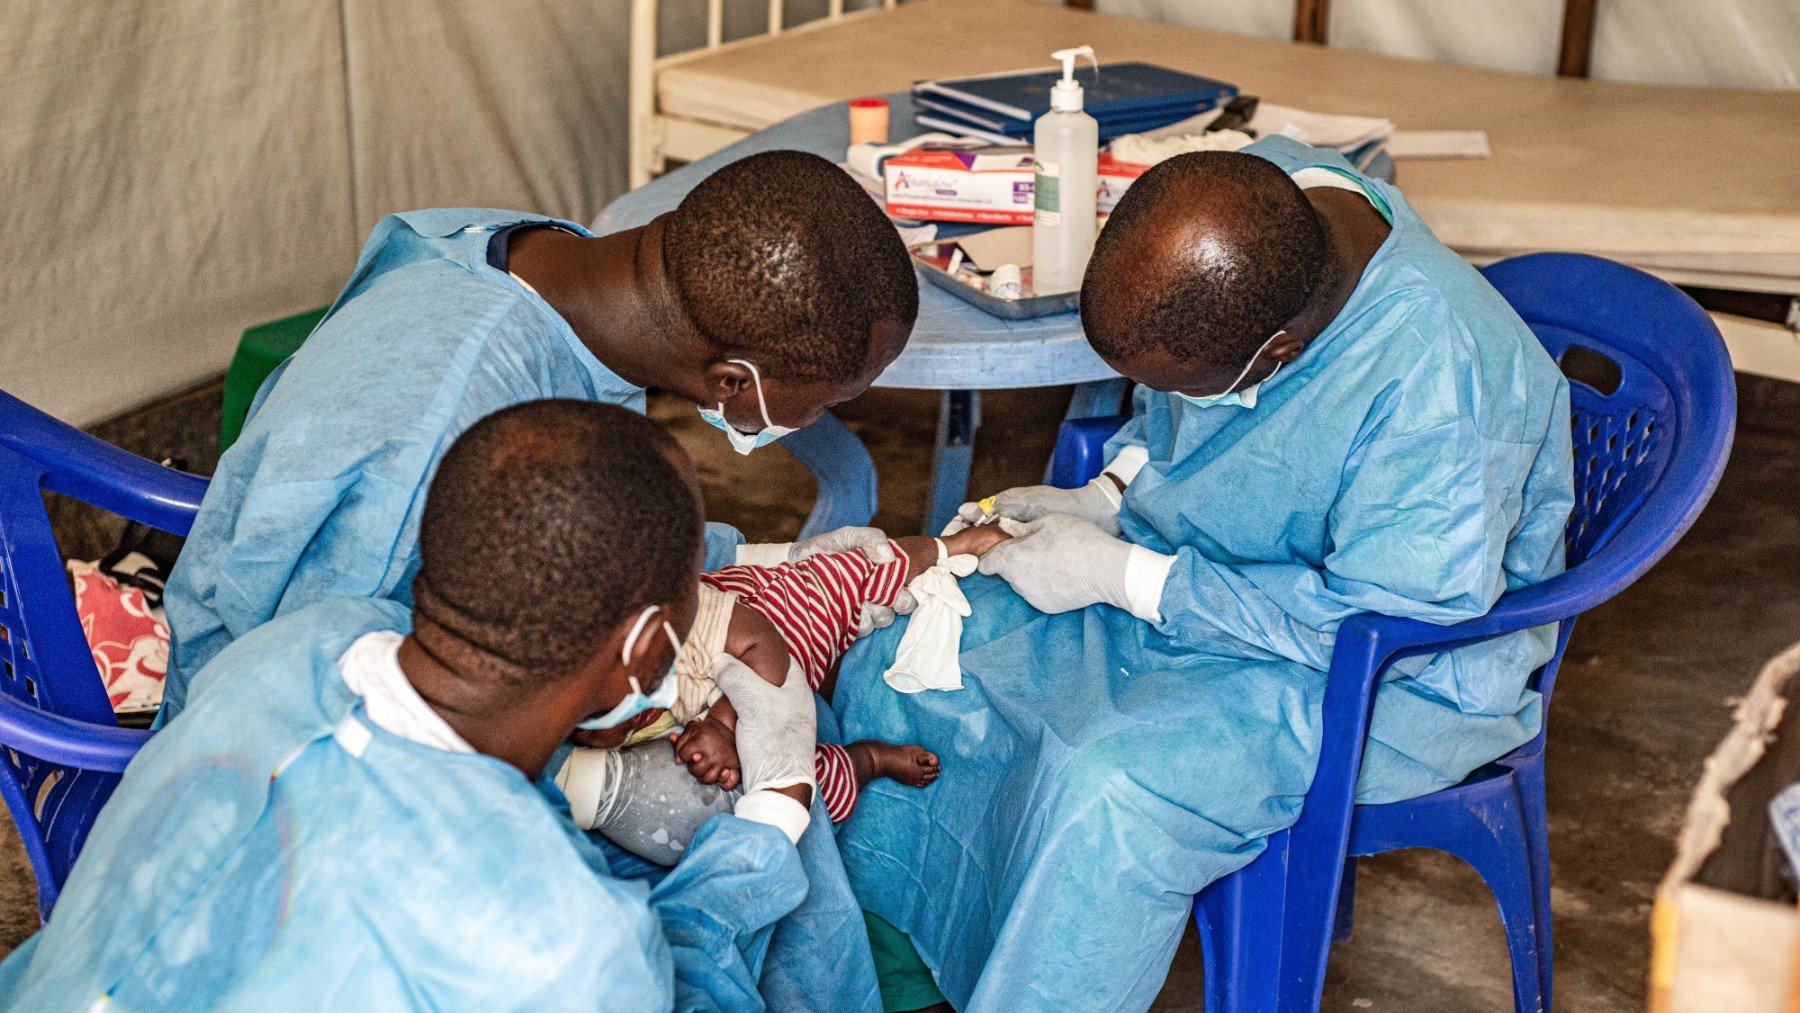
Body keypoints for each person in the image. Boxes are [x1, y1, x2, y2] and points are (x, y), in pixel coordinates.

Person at [833, 138, 1576, 1011]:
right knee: (908, 659)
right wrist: (1109, 492)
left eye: (1188, 384)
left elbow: (1390, 621)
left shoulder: (1443, 377)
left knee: (1105, 788)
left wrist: (1130, 578)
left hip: (1382, 673)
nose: (1165, 398)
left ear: (1276, 357)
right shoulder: (1259, 199)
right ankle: (893, 988)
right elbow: (1170, 408)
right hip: (1196, 575)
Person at [0, 401, 826, 1010]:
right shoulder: (573, 945)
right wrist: (762, 835)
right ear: (647, 649)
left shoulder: (296, 645)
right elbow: (678, 985)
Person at [162, 148, 919, 721]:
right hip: (292, 752)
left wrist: (767, 563)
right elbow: (316, 709)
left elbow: (581, 538)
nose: (826, 417)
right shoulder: (429, 443)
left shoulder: (557, 269)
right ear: (732, 382)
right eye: (826, 403)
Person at [560, 522, 1011, 865]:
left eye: (651, 677)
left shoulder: (684, 621)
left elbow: (766, 649)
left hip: (757, 629)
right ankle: (864, 761)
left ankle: (949, 545)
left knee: (842, 578)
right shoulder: (554, 704)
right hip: (699, 703)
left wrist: (722, 721)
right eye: (608, 713)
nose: (641, 710)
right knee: (814, 792)